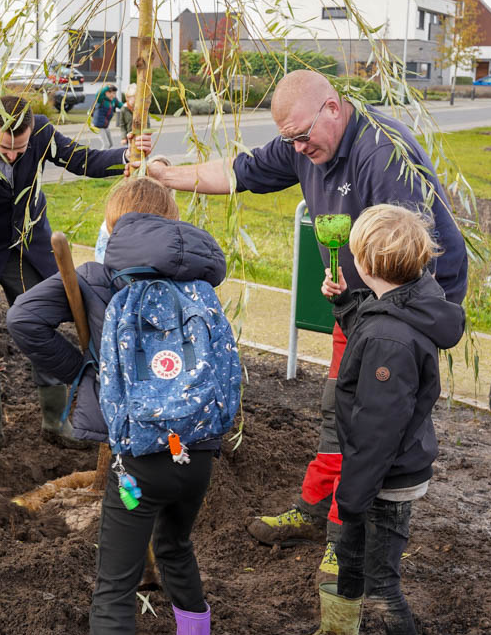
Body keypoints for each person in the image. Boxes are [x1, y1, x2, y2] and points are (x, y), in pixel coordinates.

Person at [141, 69, 467, 574]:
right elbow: (238, 172)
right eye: (288, 139)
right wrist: (166, 177)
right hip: (359, 300)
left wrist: (381, 319)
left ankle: (350, 536)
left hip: (404, 306)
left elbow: (409, 251)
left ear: (332, 108)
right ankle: (318, 509)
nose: (295, 148)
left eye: (301, 136)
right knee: (338, 407)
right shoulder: (306, 143)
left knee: (373, 420)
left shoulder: (382, 155)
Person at [8, 177, 229, 635]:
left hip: (138, 467)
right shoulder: (201, 282)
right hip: (197, 455)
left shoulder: (97, 276)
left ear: (115, 227)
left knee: (114, 586)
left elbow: (23, 319)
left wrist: (86, 372)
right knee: (176, 543)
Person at [293, 204, 465, 635]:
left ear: (366, 262)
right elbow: (372, 322)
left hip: (384, 478)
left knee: (383, 581)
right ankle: (338, 634)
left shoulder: (390, 339)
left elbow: (378, 427)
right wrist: (345, 302)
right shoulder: (398, 304)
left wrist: (353, 492)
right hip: (374, 470)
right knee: (348, 553)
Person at [0, 95, 152, 451]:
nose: (13, 156)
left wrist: (126, 156)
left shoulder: (41, 132)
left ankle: (55, 420)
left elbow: (82, 159)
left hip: (28, 246)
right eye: (5, 149)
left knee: (39, 322)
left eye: (20, 148)